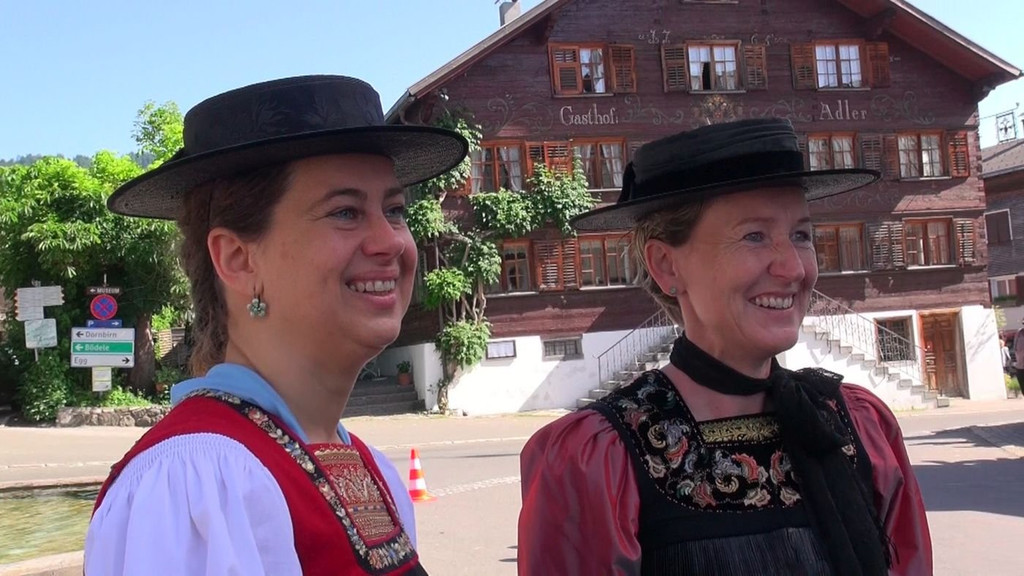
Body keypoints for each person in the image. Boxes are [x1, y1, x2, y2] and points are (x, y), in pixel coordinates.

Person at [85, 75, 468, 575]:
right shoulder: (197, 482)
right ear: (238, 259)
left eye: (394, 211)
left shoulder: (371, 468)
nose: (391, 241)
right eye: (345, 212)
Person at [517, 118, 932, 575]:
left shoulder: (860, 427)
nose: (794, 268)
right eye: (754, 236)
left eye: (801, 235)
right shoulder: (599, 460)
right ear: (666, 265)